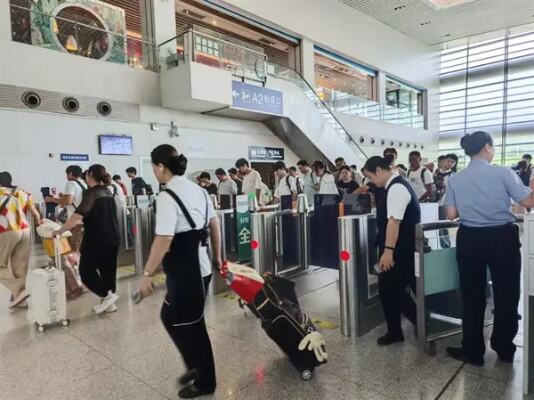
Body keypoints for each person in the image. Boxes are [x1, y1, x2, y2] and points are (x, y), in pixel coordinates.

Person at [443, 131, 534, 366]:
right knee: (506, 293)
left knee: (472, 295)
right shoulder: (503, 173)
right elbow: (528, 202)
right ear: (487, 147)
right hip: (502, 238)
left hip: (469, 238)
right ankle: (504, 348)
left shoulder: (455, 179)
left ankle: (473, 351)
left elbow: (451, 215)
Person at [138, 144, 220, 399]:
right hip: (200, 268)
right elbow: (214, 225)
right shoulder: (199, 190)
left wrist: (147, 273)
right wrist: (218, 257)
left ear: (160, 167)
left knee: (193, 326)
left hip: (186, 273)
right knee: (170, 316)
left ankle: (206, 382)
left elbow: (163, 239)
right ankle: (195, 365)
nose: (153, 170)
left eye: (153, 166)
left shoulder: (166, 196)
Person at [362, 157, 420, 346]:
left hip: (398, 250)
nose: (371, 181)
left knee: (388, 290)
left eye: (370, 176)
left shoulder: (396, 188)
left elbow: (394, 222)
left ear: (379, 170)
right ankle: (416, 323)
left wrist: (387, 252)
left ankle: (407, 327)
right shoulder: (397, 185)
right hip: (403, 248)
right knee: (396, 289)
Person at [55, 165, 120, 315]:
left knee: (86, 271)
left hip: (97, 237)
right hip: (113, 236)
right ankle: (109, 304)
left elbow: (78, 215)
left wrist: (61, 230)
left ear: (90, 175)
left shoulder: (93, 192)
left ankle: (106, 295)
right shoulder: (108, 191)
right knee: (107, 270)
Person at [0, 172, 41, 309]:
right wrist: (40, 224)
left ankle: (19, 291)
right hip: (25, 230)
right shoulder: (22, 193)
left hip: (6, 231)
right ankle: (21, 300)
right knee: (20, 266)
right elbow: (35, 214)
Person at [45, 165, 87, 263]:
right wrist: (62, 197)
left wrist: (51, 199)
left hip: (76, 221)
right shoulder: (83, 184)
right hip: (84, 219)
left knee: (73, 248)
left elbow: (68, 201)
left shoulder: (70, 183)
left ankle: (76, 270)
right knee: (79, 246)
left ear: (70, 174)